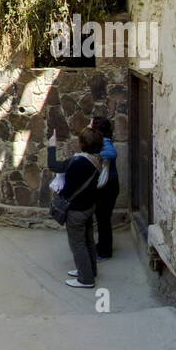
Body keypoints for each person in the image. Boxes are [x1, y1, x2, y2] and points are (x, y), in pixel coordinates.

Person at [53, 128, 104, 289]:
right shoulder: (96, 159)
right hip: (88, 206)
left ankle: (86, 279)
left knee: (78, 244)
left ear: (82, 144)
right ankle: (90, 271)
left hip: (77, 210)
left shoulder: (78, 162)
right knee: (88, 240)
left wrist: (51, 147)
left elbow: (53, 165)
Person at [87, 114, 118, 260]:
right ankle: (103, 246)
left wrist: (96, 156)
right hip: (108, 186)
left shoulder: (104, 141)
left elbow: (112, 154)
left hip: (108, 187)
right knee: (102, 218)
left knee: (103, 219)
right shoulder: (103, 140)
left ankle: (105, 252)